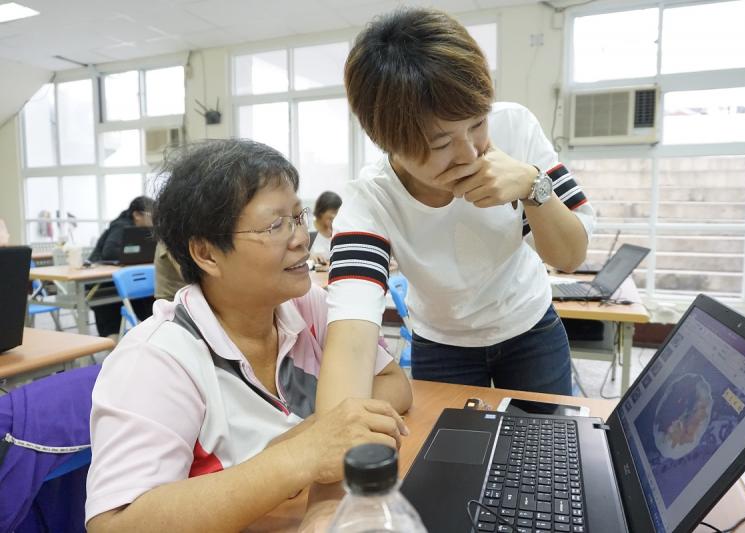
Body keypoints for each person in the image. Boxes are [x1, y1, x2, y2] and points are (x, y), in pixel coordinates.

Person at [85, 139, 412, 532]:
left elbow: (394, 384)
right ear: (206, 254)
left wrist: (320, 436)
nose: (300, 238)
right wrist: (302, 454)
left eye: (297, 216)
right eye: (276, 225)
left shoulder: (307, 306)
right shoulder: (157, 359)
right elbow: (114, 525)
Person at [316, 7, 596, 413]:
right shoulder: (371, 200)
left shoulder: (514, 127)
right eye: (440, 144)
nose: (469, 153)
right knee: (454, 458)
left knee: (547, 449)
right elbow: (352, 338)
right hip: (443, 345)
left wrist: (533, 186)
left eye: (478, 123)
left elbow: (570, 257)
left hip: (530, 327)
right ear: (387, 142)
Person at [88, 196, 156, 337]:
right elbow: (109, 252)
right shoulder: (121, 225)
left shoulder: (142, 231)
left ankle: (154, 333)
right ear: (137, 215)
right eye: (151, 215)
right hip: (101, 284)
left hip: (122, 280)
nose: (154, 219)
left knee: (150, 303)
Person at [309, 191, 342, 267]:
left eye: (338, 212)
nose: (335, 216)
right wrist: (309, 258)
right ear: (321, 211)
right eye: (333, 212)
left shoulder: (337, 231)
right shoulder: (308, 229)